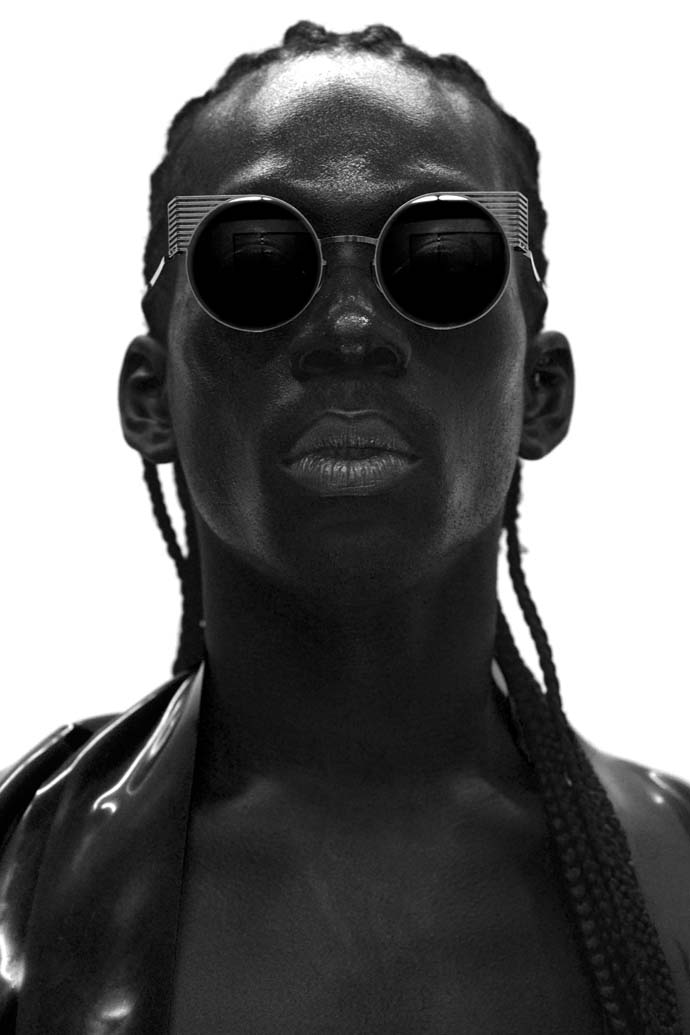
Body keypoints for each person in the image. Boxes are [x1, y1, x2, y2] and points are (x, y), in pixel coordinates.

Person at [0, 20, 688, 1035]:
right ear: (152, 398)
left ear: (541, 394)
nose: (353, 328)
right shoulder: (15, 880)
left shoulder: (675, 879)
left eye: (442, 259)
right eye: (257, 260)